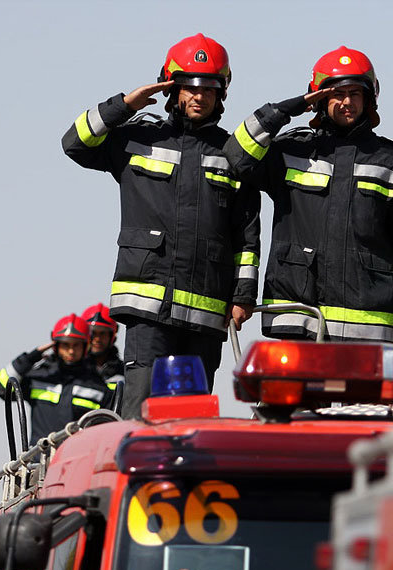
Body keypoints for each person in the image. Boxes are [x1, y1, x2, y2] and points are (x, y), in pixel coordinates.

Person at [62, 33, 261, 418]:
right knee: (141, 415)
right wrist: (123, 105)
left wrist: (243, 296)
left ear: (222, 94)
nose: (199, 96)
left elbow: (247, 232)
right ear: (171, 88)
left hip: (206, 311)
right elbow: (75, 144)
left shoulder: (231, 152)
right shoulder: (135, 138)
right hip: (146, 306)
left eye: (209, 88)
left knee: (194, 417)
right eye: (189, 86)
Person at [224, 46, 393, 343]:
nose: (347, 102)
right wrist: (288, 109)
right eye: (337, 93)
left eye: (356, 93)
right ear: (320, 99)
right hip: (298, 314)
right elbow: (236, 153)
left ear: (369, 98)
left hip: (365, 320)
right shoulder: (290, 151)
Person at [0, 314, 113, 444]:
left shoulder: (97, 386)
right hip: (40, 460)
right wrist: (30, 358)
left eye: (76, 345)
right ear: (56, 345)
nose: (71, 351)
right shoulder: (40, 377)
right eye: (66, 345)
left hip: (78, 461)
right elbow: (1, 386)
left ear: (86, 346)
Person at [81, 302, 125, 390]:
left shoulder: (123, 373)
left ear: (112, 338)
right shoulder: (72, 370)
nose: (97, 339)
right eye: (93, 333)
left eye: (102, 333)